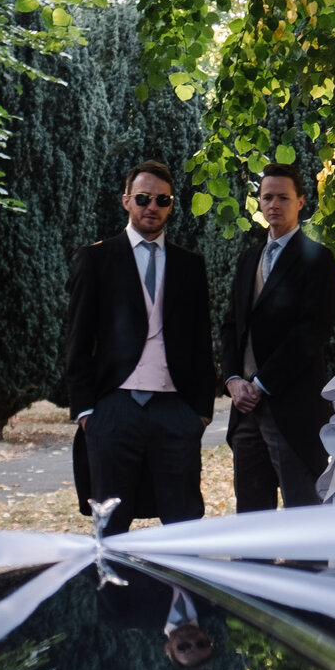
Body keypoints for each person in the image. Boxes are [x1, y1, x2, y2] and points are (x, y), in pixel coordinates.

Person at [59, 160, 218, 533]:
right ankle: (111, 593)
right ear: (126, 201)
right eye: (144, 197)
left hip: (175, 410)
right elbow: (77, 338)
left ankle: (183, 594)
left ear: (171, 205)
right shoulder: (96, 259)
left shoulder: (190, 265)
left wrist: (200, 412)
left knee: (184, 525)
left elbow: (200, 339)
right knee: (111, 527)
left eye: (162, 200)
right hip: (114, 409)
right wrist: (86, 412)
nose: (152, 206)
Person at [223, 163, 335, 512]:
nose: (274, 204)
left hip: (293, 410)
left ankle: (307, 571)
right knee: (251, 515)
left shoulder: (318, 260)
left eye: (283, 198)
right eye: (267, 197)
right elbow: (232, 325)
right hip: (245, 411)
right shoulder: (248, 259)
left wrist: (261, 383)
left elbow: (311, 333)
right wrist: (232, 379)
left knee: (302, 513)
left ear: (301, 201)